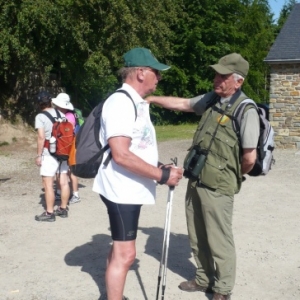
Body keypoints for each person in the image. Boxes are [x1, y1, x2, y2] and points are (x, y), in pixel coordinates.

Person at [147, 53, 260, 300]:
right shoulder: (211, 99)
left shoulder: (246, 109)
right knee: (197, 232)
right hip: (196, 178)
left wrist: (229, 175)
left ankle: (222, 288)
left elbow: (249, 158)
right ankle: (203, 278)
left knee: (219, 237)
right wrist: (152, 99)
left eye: (223, 75)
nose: (216, 79)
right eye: (216, 74)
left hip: (219, 185)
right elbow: (185, 104)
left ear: (238, 81)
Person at [92, 47, 183, 300]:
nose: (159, 78)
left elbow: (137, 147)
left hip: (129, 186)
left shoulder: (134, 102)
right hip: (121, 189)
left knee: (120, 248)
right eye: (157, 72)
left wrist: (160, 166)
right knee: (126, 254)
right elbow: (120, 154)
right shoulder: (121, 102)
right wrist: (161, 176)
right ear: (141, 73)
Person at [34, 92, 73, 222]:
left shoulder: (40, 116)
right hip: (63, 151)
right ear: (50, 102)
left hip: (49, 152)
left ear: (39, 104)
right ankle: (63, 209)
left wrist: (39, 155)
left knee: (48, 183)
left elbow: (41, 137)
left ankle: (49, 213)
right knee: (63, 180)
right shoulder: (61, 114)